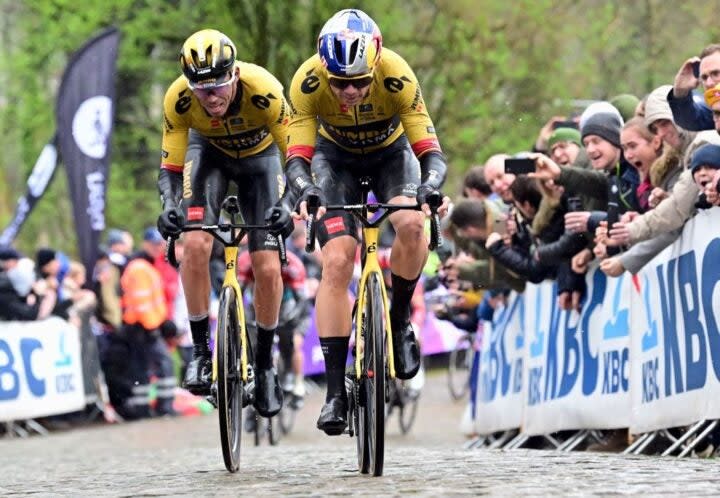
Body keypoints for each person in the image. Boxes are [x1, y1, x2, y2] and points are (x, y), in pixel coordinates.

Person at [276, 9, 450, 435]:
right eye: (340, 83)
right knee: (338, 261)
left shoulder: (396, 74)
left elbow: (430, 150)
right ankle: (336, 391)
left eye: (358, 82)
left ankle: (400, 318)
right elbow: (297, 155)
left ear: (374, 67)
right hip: (334, 162)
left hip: (392, 156)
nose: (349, 91)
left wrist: (429, 186)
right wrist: (304, 188)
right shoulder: (307, 81)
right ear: (325, 72)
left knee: (411, 225)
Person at [155, 29, 290, 417]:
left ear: (234, 75)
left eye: (217, 86)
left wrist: (288, 201)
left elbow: (297, 154)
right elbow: (169, 166)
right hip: (208, 157)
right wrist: (168, 205)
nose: (210, 97)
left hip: (260, 162)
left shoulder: (264, 88)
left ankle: (264, 366)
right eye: (201, 89)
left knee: (265, 265)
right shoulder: (178, 99)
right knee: (195, 244)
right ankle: (200, 353)